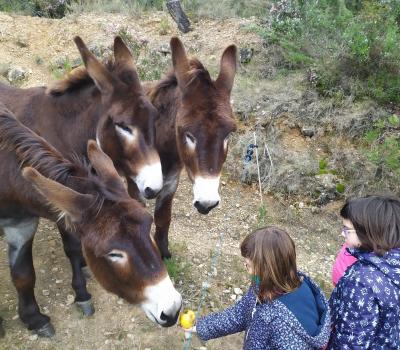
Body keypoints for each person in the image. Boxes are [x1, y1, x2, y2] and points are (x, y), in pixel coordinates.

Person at [182, 226, 331, 349]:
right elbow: (240, 314)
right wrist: (201, 327)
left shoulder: (282, 325)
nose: (246, 269)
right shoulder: (266, 285)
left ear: (267, 268)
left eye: (248, 265)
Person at [328, 195, 400, 349]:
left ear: (369, 232)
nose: (342, 234)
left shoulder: (361, 281)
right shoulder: (394, 263)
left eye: (347, 230)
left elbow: (351, 341)